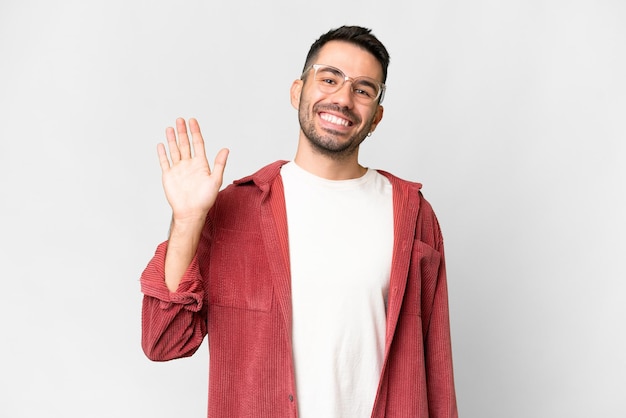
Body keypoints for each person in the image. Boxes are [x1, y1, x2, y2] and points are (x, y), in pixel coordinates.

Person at [140, 25, 458, 418]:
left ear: (375, 116)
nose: (342, 98)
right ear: (297, 91)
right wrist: (187, 222)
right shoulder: (232, 212)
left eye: (362, 89)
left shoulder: (413, 215)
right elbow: (163, 340)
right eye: (329, 79)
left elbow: (437, 376)